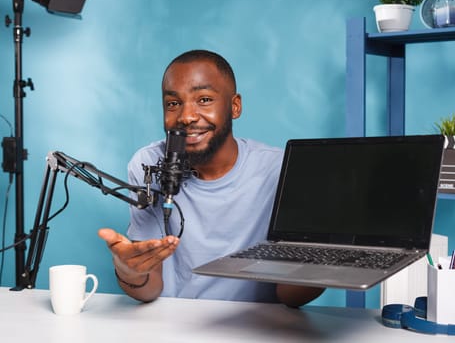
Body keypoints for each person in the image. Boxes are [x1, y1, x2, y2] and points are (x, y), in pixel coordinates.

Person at [98, 49, 325, 307]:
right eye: (173, 103)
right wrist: (130, 271)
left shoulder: (282, 169)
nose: (186, 116)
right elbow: (149, 289)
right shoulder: (148, 163)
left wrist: (322, 261)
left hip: (258, 325)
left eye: (204, 99)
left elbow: (289, 297)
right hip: (174, 322)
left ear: (235, 106)